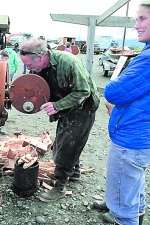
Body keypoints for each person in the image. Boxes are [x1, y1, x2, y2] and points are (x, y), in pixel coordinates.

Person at [19, 39, 100, 202]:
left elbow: (83, 91)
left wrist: (57, 106)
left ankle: (59, 187)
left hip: (83, 107)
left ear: (40, 56)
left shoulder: (68, 62)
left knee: (66, 147)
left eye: (29, 64)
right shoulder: (39, 68)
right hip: (65, 107)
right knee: (67, 140)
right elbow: (36, 88)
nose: (28, 69)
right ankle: (74, 172)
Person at [103, 1, 150, 224]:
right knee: (134, 186)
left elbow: (114, 91)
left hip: (132, 137)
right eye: (136, 19)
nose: (136, 25)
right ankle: (137, 216)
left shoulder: (148, 58)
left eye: (142, 19)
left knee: (122, 199)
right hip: (142, 136)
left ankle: (127, 219)